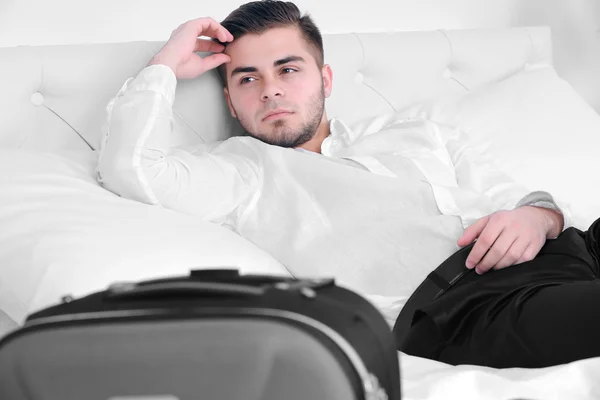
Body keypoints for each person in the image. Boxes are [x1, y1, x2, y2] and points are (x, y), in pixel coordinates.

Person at [96, 0, 600, 369]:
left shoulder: (416, 131)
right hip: (468, 309)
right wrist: (165, 64)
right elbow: (132, 168)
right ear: (231, 101)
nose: (270, 88)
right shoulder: (242, 171)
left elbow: (521, 195)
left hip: (564, 249)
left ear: (325, 80)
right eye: (247, 78)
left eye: (287, 69)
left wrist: (537, 216)